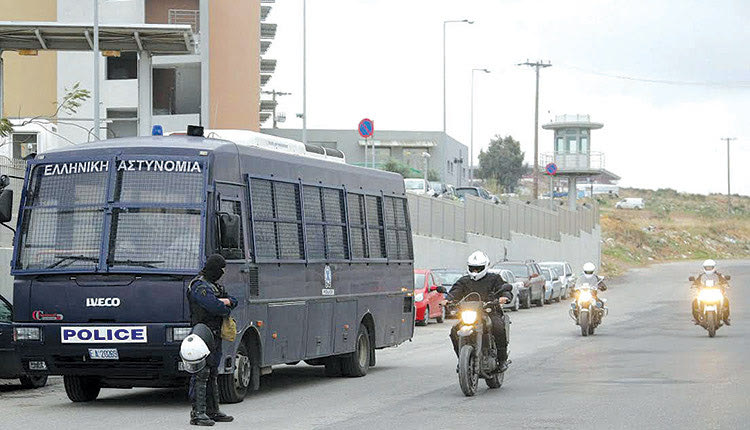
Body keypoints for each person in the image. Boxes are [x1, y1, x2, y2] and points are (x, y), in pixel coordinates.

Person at [186, 254, 238, 426]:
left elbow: (234, 301)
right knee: (201, 372)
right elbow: (213, 306)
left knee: (213, 372)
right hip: (202, 333)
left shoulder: (214, 286)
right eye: (221, 270)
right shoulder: (199, 285)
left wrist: (225, 301)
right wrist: (224, 304)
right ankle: (198, 413)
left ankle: (212, 410)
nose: (222, 273)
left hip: (215, 334)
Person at [448, 251, 513, 372]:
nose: (475, 271)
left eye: (478, 269)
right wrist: (447, 300)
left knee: (498, 327)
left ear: (485, 266)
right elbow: (455, 291)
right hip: (470, 313)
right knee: (454, 331)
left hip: (489, 311)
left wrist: (505, 297)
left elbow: (504, 289)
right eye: (473, 268)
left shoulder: (494, 279)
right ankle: (461, 360)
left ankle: (502, 359)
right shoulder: (464, 281)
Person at [691, 259, 730, 325]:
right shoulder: (700, 275)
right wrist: (694, 285)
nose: (708, 269)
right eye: (707, 267)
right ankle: (696, 319)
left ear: (714, 267)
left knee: (726, 300)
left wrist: (725, 284)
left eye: (710, 267)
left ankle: (725, 318)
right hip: (704, 292)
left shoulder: (719, 275)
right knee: (694, 301)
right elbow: (696, 282)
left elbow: (724, 281)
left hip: (716, 292)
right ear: (704, 268)